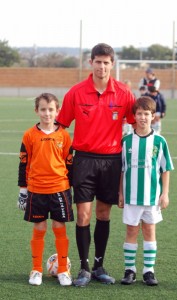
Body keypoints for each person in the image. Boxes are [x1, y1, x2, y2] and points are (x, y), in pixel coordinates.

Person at [56, 43, 136, 287]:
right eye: (98, 61)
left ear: (112, 64)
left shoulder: (124, 93)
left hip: (111, 161)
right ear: (90, 62)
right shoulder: (76, 93)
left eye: (106, 62)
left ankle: (100, 266)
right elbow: (61, 127)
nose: (102, 66)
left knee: (103, 213)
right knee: (83, 214)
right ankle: (84, 268)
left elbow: (136, 124)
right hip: (84, 161)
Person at [17, 93, 74, 286]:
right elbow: (23, 164)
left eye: (51, 110)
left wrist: (70, 190)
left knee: (59, 227)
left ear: (57, 111)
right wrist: (23, 191)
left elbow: (69, 163)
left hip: (60, 188)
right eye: (43, 109)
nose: (47, 113)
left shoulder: (64, 136)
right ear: (37, 111)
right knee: (39, 228)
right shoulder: (29, 135)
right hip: (36, 189)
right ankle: (36, 270)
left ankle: (64, 270)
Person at [118, 96, 174, 286]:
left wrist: (164, 194)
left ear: (153, 117)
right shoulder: (126, 141)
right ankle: (129, 270)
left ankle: (148, 271)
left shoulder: (159, 141)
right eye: (140, 114)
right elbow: (122, 169)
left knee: (149, 230)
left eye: (147, 114)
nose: (143, 117)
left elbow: (165, 169)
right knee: (131, 231)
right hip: (131, 197)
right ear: (134, 116)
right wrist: (120, 193)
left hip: (152, 197)